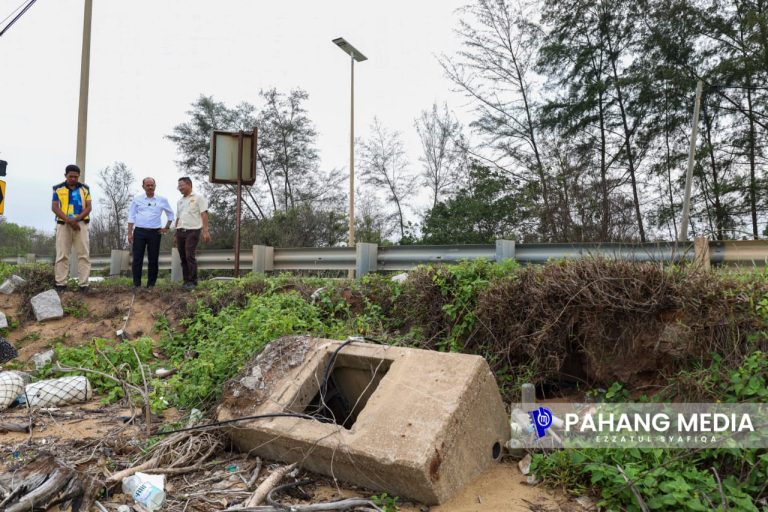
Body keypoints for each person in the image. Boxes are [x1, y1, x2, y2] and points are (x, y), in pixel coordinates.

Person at [127, 177, 175, 290]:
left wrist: (167, 227)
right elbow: (131, 216)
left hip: (155, 232)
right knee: (137, 258)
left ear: (155, 186)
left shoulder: (162, 199)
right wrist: (129, 233)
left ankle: (151, 285)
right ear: (143, 187)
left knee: (153, 259)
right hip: (139, 231)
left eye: (152, 185)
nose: (150, 187)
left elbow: (170, 214)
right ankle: (136, 284)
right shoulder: (137, 199)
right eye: (147, 185)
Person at [51, 164, 92, 292]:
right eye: (71, 176)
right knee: (62, 254)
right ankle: (61, 284)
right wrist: (69, 220)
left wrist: (76, 219)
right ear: (66, 175)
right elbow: (54, 207)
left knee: (83, 254)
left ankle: (84, 284)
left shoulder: (85, 189)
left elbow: (89, 207)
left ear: (78, 176)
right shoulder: (58, 189)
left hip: (81, 224)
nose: (73, 179)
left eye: (75, 176)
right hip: (63, 224)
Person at [175, 177, 210, 289]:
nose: (180, 188)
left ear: (189, 184)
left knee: (189, 255)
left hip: (193, 230)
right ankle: (186, 281)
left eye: (182, 185)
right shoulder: (180, 201)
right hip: (180, 231)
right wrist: (175, 234)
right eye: (179, 186)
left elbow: (204, 214)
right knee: (183, 257)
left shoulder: (198, 197)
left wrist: (205, 231)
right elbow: (178, 218)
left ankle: (193, 282)